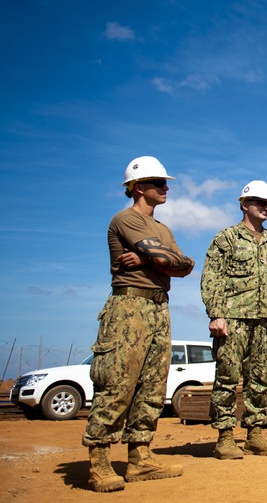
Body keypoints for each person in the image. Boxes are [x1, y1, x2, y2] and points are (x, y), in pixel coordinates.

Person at [82, 156, 195, 493]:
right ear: (139, 187)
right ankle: (99, 462)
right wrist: (158, 259)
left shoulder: (163, 229)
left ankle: (140, 458)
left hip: (159, 306)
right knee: (118, 382)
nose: (166, 188)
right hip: (129, 306)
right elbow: (167, 260)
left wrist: (147, 258)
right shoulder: (125, 220)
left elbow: (186, 265)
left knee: (152, 385)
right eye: (159, 183)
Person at [200, 180, 267, 459]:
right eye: (259, 202)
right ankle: (224, 438)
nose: (266, 206)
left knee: (259, 380)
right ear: (244, 204)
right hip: (233, 321)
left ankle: (255, 435)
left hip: (264, 322)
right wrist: (216, 313)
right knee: (227, 378)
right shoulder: (227, 238)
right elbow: (211, 277)